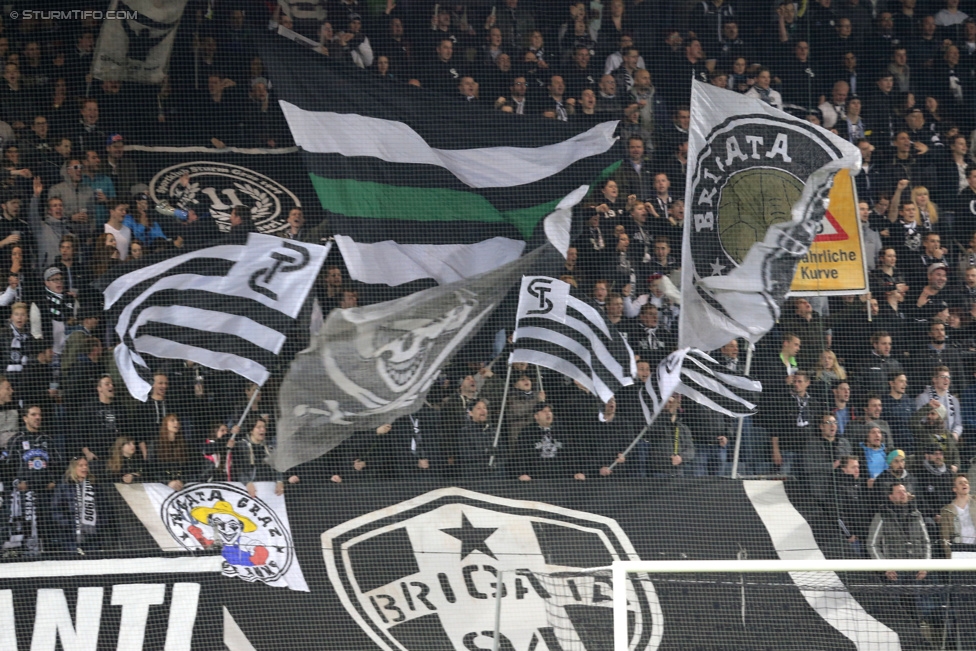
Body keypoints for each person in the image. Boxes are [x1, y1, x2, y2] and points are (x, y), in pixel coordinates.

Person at [868, 483, 932, 623]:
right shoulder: (882, 515)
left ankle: (918, 634)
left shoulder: (917, 514)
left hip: (915, 570)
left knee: (916, 608)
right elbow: (872, 544)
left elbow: (926, 542)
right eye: (898, 492)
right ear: (891, 496)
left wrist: (925, 565)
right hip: (895, 572)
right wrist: (886, 566)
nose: (903, 494)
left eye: (904, 491)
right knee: (896, 609)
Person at [228, 415, 298, 497]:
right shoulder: (241, 446)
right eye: (259, 427)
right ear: (251, 430)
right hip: (250, 489)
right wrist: (247, 483)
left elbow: (277, 466)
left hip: (269, 489)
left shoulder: (270, 446)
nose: (263, 429)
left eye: (264, 427)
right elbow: (237, 468)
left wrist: (280, 481)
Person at [51, 457, 110, 552]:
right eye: (81, 465)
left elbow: (104, 506)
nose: (84, 468)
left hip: (93, 536)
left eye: (86, 465)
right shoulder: (64, 485)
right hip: (70, 536)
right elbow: (56, 508)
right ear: (73, 468)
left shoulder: (94, 485)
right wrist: (67, 524)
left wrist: (100, 525)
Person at [148, 414, 189, 491]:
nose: (176, 422)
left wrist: (182, 480)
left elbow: (189, 467)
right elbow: (151, 468)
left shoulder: (184, 443)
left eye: (177, 420)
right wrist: (167, 482)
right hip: (161, 486)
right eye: (172, 420)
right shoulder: (155, 443)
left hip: (181, 485)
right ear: (165, 424)